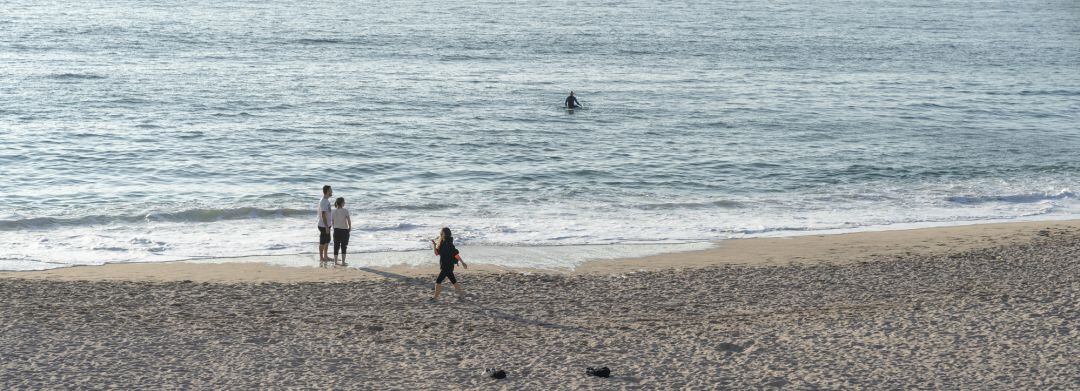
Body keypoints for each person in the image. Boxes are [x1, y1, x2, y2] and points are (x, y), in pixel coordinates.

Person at [430, 227, 468, 301]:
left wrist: (463, 262)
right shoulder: (443, 243)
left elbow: (455, 254)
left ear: (444, 234)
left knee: (438, 282)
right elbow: (436, 253)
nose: (440, 234)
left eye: (441, 233)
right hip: (448, 267)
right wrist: (434, 245)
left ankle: (435, 298)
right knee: (454, 281)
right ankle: (462, 296)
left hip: (446, 267)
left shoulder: (449, 244)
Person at [332, 197, 352, 266]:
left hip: (336, 230)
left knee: (336, 246)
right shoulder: (345, 210)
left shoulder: (333, 211)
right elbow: (348, 220)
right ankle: (343, 262)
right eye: (344, 202)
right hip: (344, 230)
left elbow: (332, 222)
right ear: (342, 203)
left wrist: (334, 228)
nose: (345, 203)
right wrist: (350, 227)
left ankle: (335, 262)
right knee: (344, 246)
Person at [316, 185, 333, 263]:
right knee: (322, 241)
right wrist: (326, 226)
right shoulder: (323, 201)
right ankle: (321, 257)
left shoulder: (326, 200)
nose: (332, 191)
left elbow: (328, 213)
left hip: (327, 225)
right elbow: (323, 215)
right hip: (323, 225)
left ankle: (325, 256)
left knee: (327, 240)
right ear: (327, 191)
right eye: (330, 190)